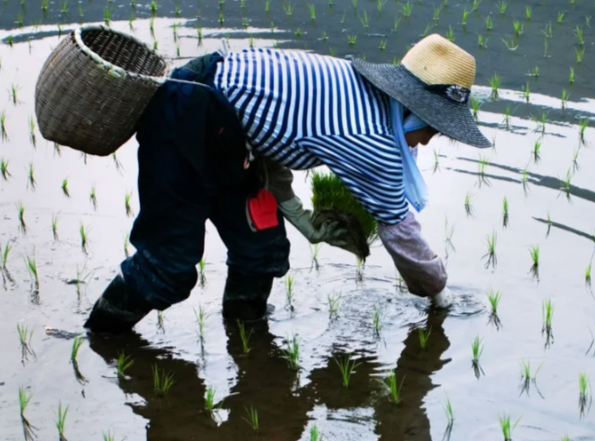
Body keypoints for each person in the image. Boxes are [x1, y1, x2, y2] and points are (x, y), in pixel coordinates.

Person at [83, 34, 491, 334]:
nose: (429, 140)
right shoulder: (374, 140)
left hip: (230, 135)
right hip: (187, 115)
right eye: (434, 129)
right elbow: (401, 233)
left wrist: (299, 216)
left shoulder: (366, 95)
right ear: (416, 113)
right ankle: (97, 336)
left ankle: (248, 348)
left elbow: (270, 133)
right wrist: (439, 292)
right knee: (168, 268)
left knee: (261, 251)